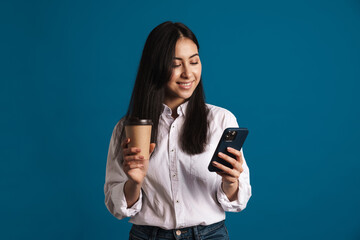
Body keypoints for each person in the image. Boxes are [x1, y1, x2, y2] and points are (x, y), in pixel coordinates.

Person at [104, 21, 252, 240]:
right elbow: (117, 207)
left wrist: (231, 181)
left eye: (194, 61)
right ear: (156, 67)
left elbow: (238, 201)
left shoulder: (221, 119)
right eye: (176, 64)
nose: (188, 73)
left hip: (209, 235)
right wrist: (134, 182)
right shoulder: (127, 128)